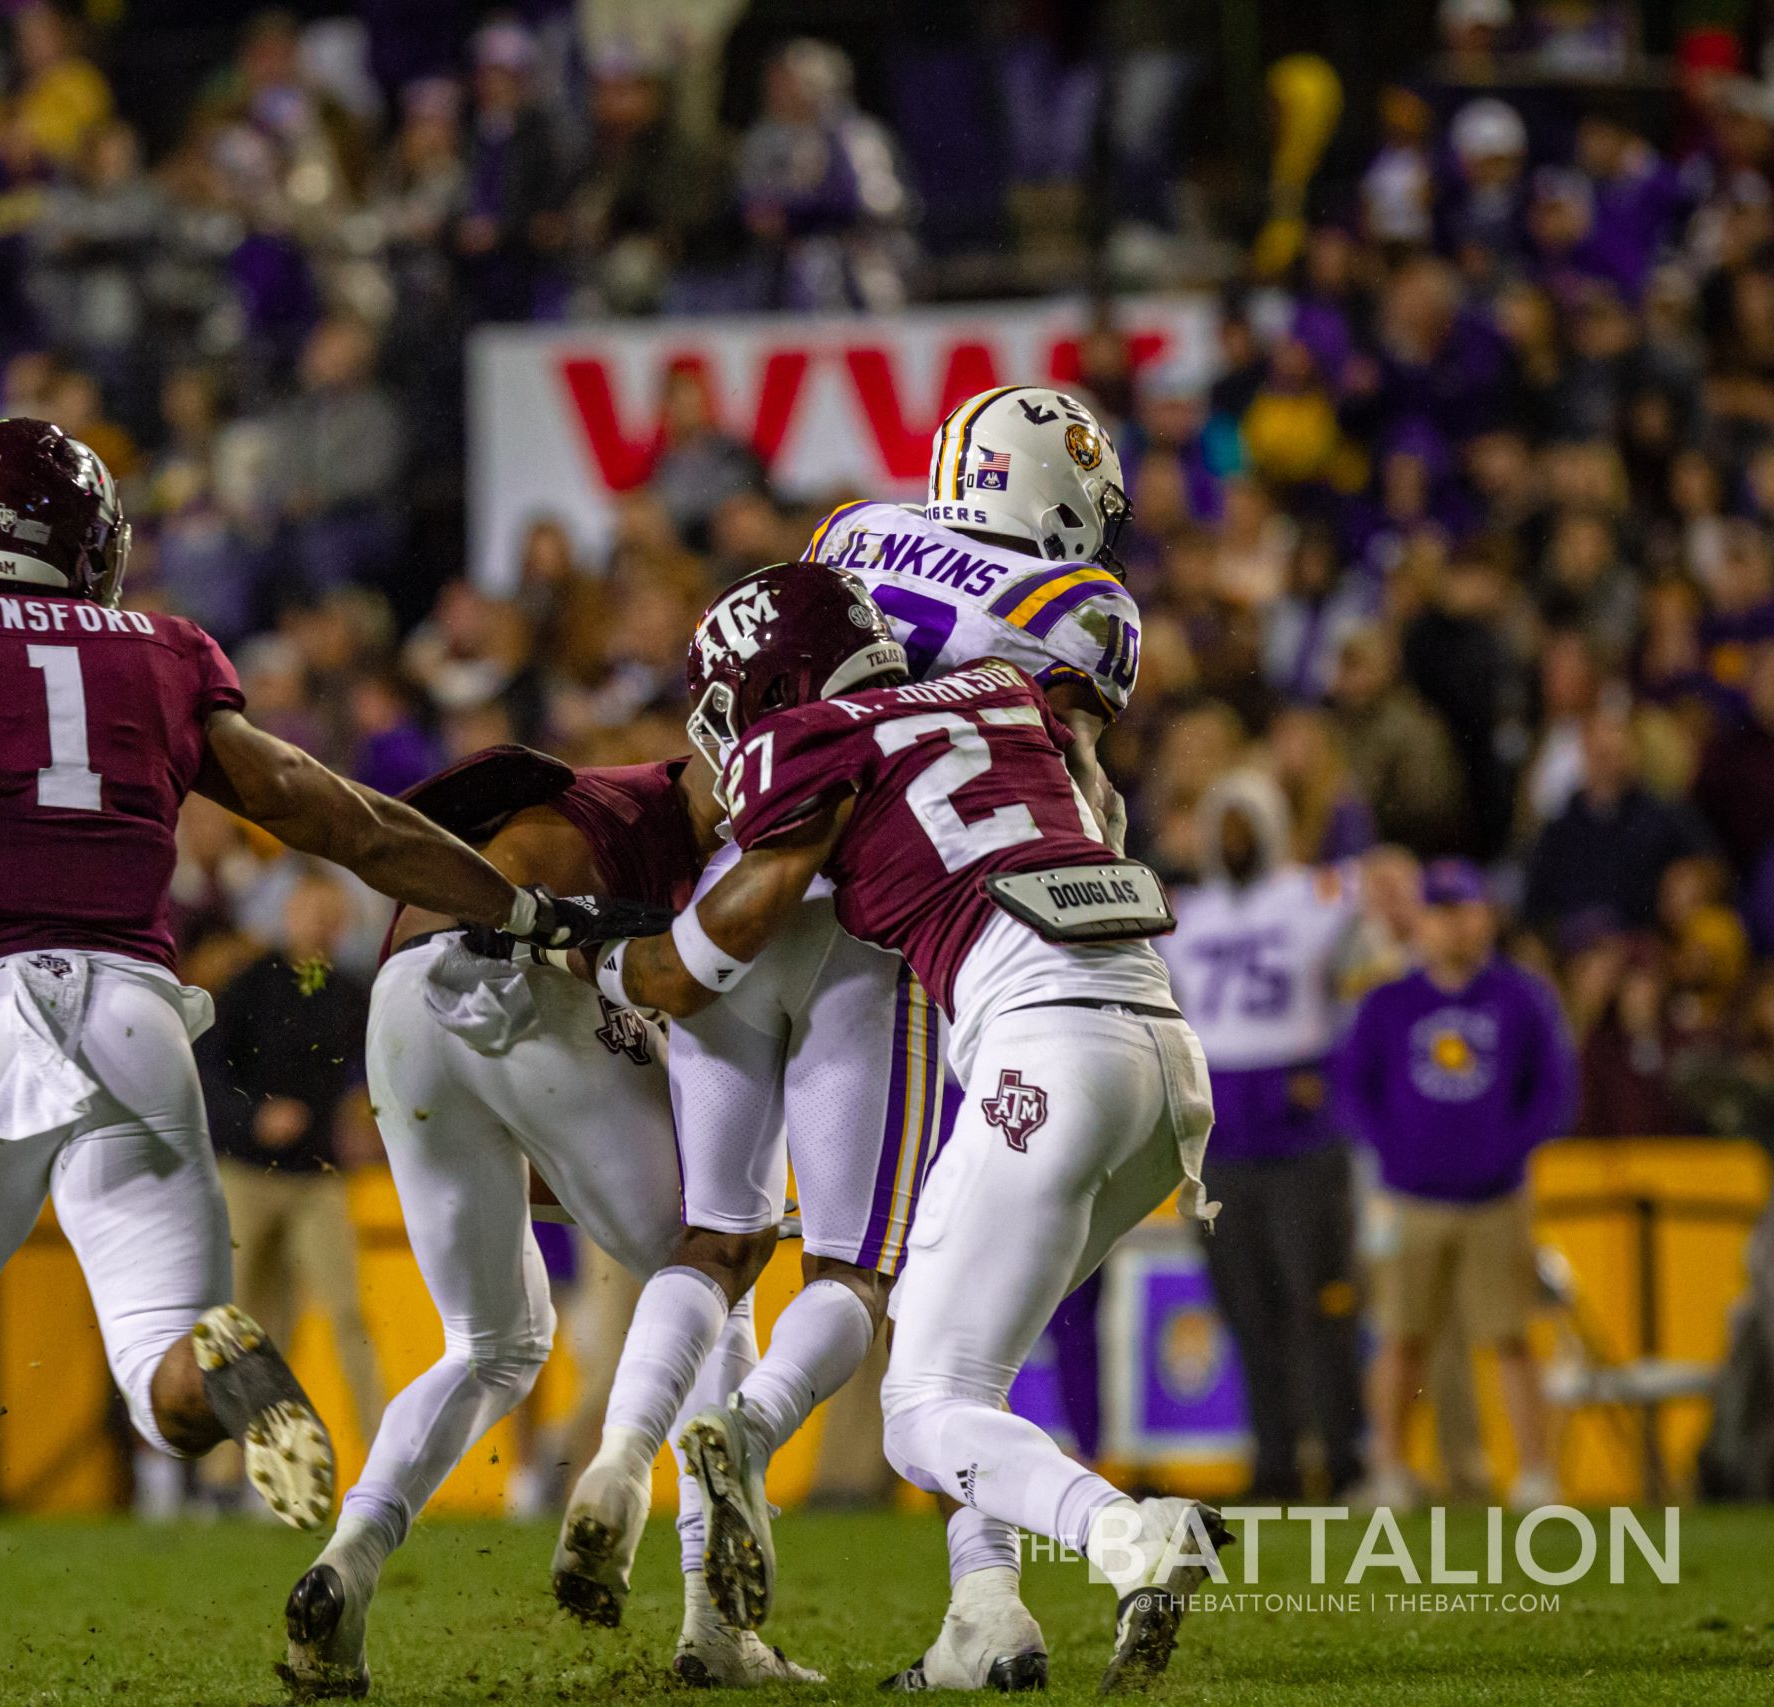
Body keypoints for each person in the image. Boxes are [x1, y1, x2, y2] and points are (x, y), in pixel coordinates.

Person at [0, 417, 652, 1707]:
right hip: (141, 1020)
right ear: (89, 547)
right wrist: (522, 909)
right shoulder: (163, 651)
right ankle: (221, 1363)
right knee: (165, 1377)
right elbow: (341, 815)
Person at [559, 385, 1145, 1691]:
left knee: (719, 1240)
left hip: (740, 892)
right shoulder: (1072, 612)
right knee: (916, 1284)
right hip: (901, 935)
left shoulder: (854, 531)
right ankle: (975, 1592)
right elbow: (1080, 794)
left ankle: (698, 1577)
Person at [281, 742, 807, 1696]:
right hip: (532, 980)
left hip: (404, 1000)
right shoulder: (672, 837)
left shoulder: (600, 799)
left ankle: (347, 1560)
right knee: (713, 1271)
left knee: (492, 1342)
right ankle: (710, 1614)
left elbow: (538, 1151)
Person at [1332, 859, 1576, 1510]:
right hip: (1410, 1197)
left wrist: (1507, 1150)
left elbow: (1552, 1089)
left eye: (1463, 911)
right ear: (1421, 922)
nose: (1452, 926)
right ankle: (1390, 1469)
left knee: (1512, 1338)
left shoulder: (1520, 995)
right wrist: (1395, 1151)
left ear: (1485, 916)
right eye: (1439, 913)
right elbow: (1353, 1089)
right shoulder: (1389, 1002)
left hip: (1497, 1197)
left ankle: (1535, 1473)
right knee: (1400, 1339)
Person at [1158, 772, 1374, 1501]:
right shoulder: (1187, 913)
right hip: (1222, 1135)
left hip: (1300, 1128)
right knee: (1248, 1309)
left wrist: (1335, 1068)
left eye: (1247, 824)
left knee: (1320, 1302)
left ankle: (1344, 1460)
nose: (1235, 840)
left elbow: (1376, 973)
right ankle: (1274, 1460)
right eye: (1226, 825)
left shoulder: (1313, 897)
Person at [207, 867, 384, 1454]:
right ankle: (225, 1472)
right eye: (314, 912)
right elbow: (208, 1077)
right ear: (288, 915)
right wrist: (253, 1116)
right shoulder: (248, 986)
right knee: (243, 1325)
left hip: (318, 1179)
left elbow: (376, 1079)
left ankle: (386, 1459)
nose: (324, 926)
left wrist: (367, 1116)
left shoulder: (354, 994)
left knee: (347, 1316)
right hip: (246, 1175)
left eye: (334, 915)